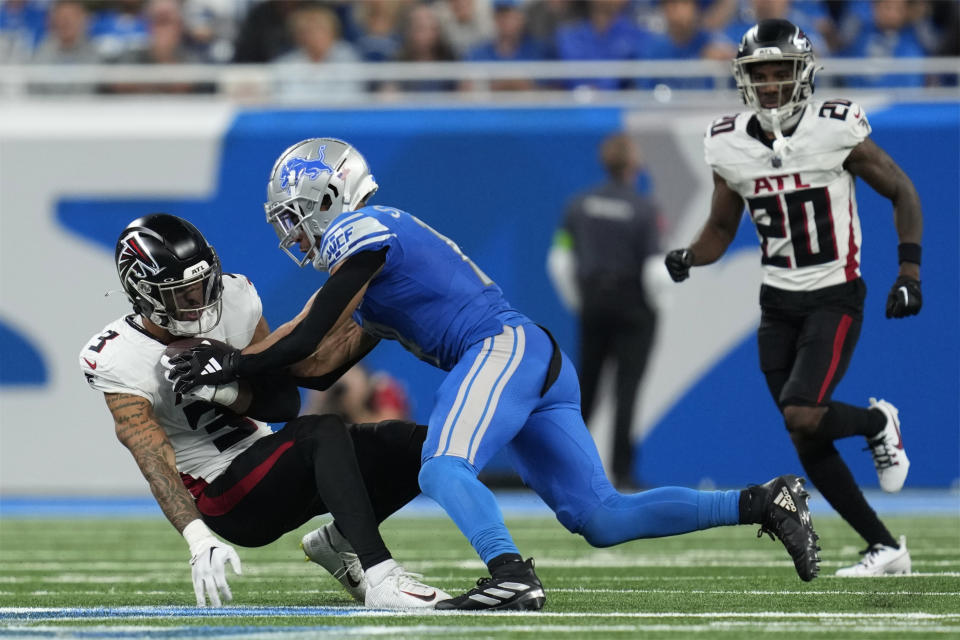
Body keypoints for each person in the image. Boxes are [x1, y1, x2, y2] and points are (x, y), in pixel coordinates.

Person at [168, 136, 823, 612]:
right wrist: (236, 377)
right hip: (530, 358)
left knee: (441, 468)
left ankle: (511, 573)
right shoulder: (373, 279)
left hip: (500, 347)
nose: (294, 231)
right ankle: (766, 500)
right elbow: (316, 366)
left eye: (295, 214)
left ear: (329, 196)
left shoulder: (364, 229)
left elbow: (305, 334)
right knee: (602, 517)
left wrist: (234, 360)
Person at [79, 213, 449, 609]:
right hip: (226, 497)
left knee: (418, 445)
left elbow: (284, 401)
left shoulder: (235, 298)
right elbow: (153, 458)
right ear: (144, 292)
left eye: (204, 285)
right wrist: (198, 537)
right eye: (183, 294)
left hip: (274, 464)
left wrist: (226, 392)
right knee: (320, 431)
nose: (202, 301)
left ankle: (337, 542)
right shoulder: (117, 357)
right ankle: (381, 578)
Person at [664, 19, 921, 577]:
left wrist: (910, 269)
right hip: (777, 302)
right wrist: (690, 255)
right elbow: (720, 226)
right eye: (762, 72)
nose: (773, 82)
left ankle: (877, 425)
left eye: (783, 71)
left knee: (804, 413)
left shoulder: (835, 127)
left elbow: (901, 188)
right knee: (802, 429)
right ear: (745, 78)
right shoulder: (728, 140)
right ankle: (883, 547)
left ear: (803, 74)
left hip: (835, 293)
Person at [546, 132, 661, 489]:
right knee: (628, 391)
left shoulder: (579, 204)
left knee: (587, 390)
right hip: (634, 306)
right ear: (633, 165)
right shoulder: (644, 210)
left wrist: (580, 302)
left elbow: (559, 260)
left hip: (593, 304)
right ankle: (622, 474)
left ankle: (567, 468)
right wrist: (655, 308)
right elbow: (655, 270)